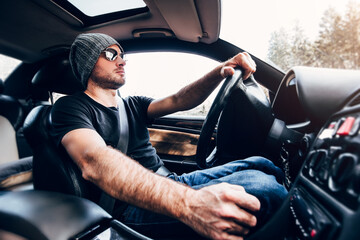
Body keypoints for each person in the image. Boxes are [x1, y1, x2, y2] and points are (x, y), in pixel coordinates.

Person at [50, 33, 287, 240]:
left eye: (122, 55)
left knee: (262, 164)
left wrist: (219, 72)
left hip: (169, 181)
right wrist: (190, 204)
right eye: (111, 55)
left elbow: (178, 100)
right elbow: (94, 160)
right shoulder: (69, 108)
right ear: (88, 61)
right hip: (129, 206)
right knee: (265, 188)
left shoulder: (132, 104)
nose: (122, 61)